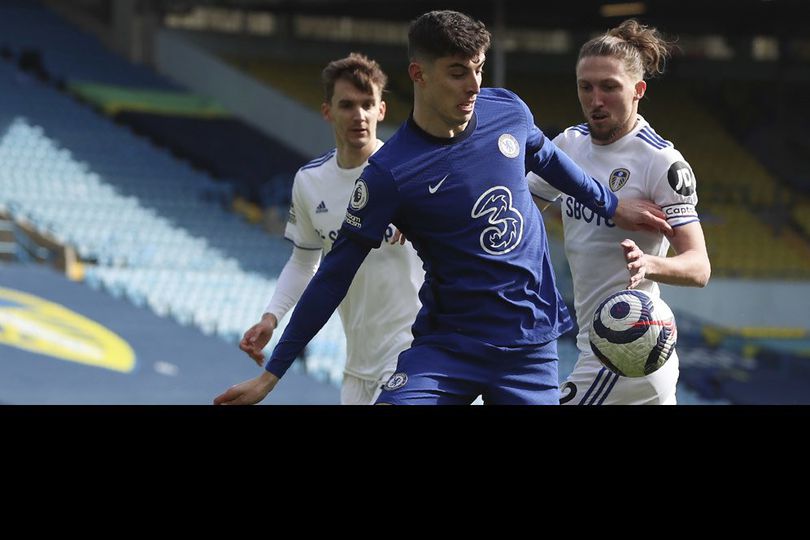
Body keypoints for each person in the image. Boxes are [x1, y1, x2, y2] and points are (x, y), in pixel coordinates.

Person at [214, 10, 672, 406]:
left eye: (478, 68)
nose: (474, 84)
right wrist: (272, 373)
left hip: (529, 346)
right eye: (458, 72)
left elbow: (547, 158)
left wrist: (610, 205)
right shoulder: (388, 174)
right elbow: (333, 273)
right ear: (419, 74)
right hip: (448, 346)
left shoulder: (507, 110)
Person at [527, 19, 711, 405]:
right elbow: (519, 203)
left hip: (628, 344)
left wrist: (649, 263)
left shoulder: (660, 161)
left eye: (609, 87)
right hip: (596, 343)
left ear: (638, 90)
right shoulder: (569, 144)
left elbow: (698, 267)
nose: (596, 99)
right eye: (586, 87)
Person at [237, 53, 424, 405]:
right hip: (357, 366)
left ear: (382, 110)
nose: (360, 115)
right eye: (348, 105)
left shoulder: (409, 173)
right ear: (327, 111)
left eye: (369, 104)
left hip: (414, 353)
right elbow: (304, 261)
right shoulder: (310, 181)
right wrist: (271, 316)